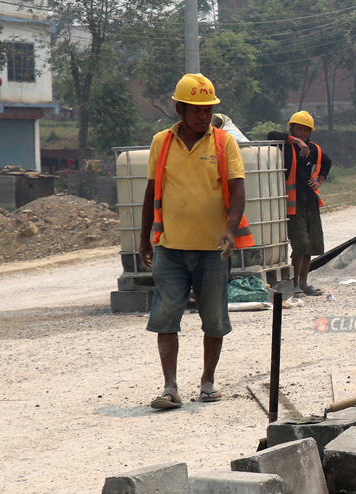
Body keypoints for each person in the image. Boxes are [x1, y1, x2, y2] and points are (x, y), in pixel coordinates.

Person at [140, 73, 253, 409]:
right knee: (165, 317)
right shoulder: (161, 142)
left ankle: (207, 382)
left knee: (214, 318)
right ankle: (170, 388)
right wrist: (145, 239)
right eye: (197, 110)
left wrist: (231, 231)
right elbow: (150, 192)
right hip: (170, 248)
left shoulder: (223, 142)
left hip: (213, 251)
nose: (204, 116)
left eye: (208, 110)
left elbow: (237, 189)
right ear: (180, 109)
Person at [267, 111, 332, 297]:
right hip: (293, 205)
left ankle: (303, 283)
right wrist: (296, 141)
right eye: (298, 129)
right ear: (291, 129)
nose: (302, 133)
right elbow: (271, 135)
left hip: (310, 202)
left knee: (310, 245)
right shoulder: (287, 147)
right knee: (301, 244)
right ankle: (294, 284)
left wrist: (319, 180)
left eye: (305, 130)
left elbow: (327, 162)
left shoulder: (314, 150)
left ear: (310, 132)